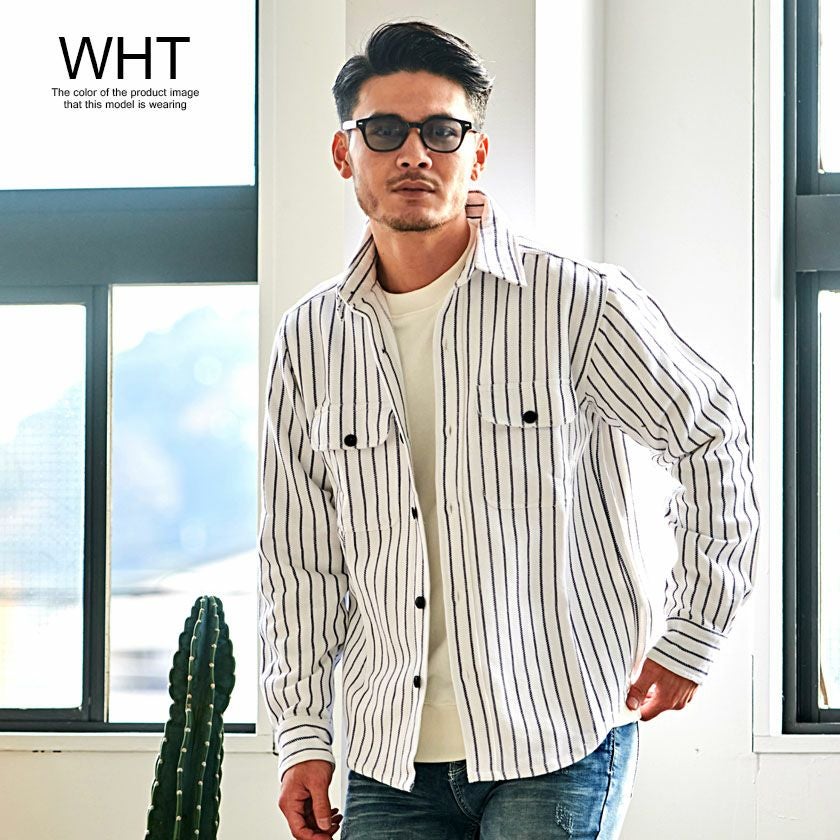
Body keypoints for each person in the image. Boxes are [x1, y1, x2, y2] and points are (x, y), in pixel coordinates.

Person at [258, 20, 759, 840]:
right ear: (345, 153)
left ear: (477, 154)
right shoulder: (310, 340)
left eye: (442, 131)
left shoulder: (575, 303)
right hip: (388, 752)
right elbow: (299, 558)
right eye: (384, 131)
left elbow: (712, 437)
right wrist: (302, 735)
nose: (414, 154)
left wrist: (692, 633)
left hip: (559, 734)